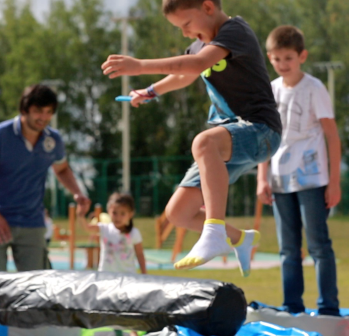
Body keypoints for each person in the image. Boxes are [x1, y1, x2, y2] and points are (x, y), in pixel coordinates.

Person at [101, 0, 282, 275]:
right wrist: (150, 91)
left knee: (203, 141)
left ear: (208, 7)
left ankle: (214, 230)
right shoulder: (200, 44)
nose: (185, 33)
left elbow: (197, 64)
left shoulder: (234, 31)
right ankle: (240, 238)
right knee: (178, 213)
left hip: (261, 131)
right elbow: (183, 75)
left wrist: (139, 65)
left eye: (186, 24)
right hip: (231, 140)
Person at [257, 26, 341, 316]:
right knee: (288, 250)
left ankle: (328, 308)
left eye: (289, 58)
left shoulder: (314, 88)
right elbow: (265, 136)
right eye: (277, 59)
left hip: (312, 179)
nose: (283, 64)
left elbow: (332, 135)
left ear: (302, 56)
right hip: (280, 181)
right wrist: (261, 177)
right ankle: (292, 307)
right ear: (270, 57)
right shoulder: (271, 89)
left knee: (318, 245)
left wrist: (333, 182)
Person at [0, 84, 90, 272]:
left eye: (49, 112)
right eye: (38, 111)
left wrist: (77, 193)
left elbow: (62, 169)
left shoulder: (53, 140)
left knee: (39, 288)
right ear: (25, 110)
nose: (44, 117)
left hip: (32, 221)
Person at [80, 192, 147, 275]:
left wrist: (144, 274)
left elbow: (140, 254)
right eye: (114, 213)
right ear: (109, 211)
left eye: (122, 213)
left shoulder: (134, 233)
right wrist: (81, 215)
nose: (118, 217)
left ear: (130, 214)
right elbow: (86, 228)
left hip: (128, 277)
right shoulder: (104, 228)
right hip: (106, 276)